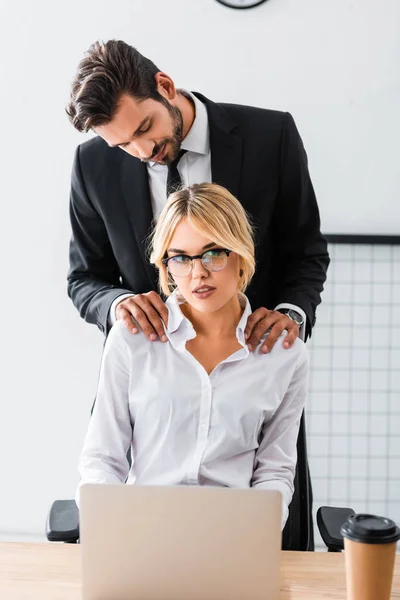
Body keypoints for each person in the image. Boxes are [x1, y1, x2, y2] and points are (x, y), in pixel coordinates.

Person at [66, 39, 329, 353]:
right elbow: (84, 276)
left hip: (257, 366)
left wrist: (291, 314)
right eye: (123, 145)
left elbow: (305, 251)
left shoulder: (271, 136)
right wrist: (119, 305)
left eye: (144, 128)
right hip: (146, 379)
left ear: (164, 86)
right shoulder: (92, 165)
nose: (143, 152)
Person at [76, 183, 309, 529]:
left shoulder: (283, 355)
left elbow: (275, 470)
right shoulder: (132, 339)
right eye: (181, 258)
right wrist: (113, 528)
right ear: (166, 264)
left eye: (213, 253)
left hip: (233, 533)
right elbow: (102, 459)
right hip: (142, 531)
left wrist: (257, 532)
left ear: (241, 254)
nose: (197, 273)